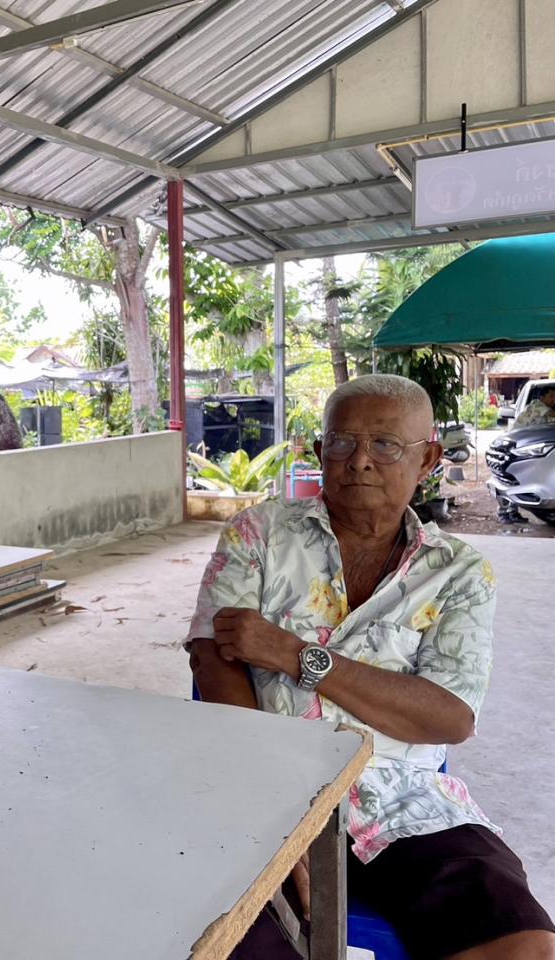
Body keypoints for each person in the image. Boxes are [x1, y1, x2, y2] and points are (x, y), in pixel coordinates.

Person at [187, 374, 555, 960]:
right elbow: (214, 661)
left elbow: (449, 717)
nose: (359, 461)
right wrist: (277, 809)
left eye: (385, 444)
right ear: (320, 451)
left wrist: (295, 655)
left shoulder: (458, 572)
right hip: (259, 786)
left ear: (427, 459)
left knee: (521, 943)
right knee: (224, 934)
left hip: (403, 799)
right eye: (342, 442)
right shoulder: (258, 534)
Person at [497, 384, 555, 523]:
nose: (554, 399)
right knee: (514, 480)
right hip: (517, 448)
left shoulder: (536, 406)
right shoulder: (539, 407)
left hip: (521, 447)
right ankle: (505, 513)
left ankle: (509, 513)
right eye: (551, 396)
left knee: (513, 481)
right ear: (542, 397)